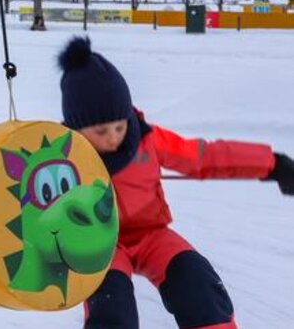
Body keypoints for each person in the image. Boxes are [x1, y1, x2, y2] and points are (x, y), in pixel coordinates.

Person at [56, 36, 293, 329]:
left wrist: (271, 164)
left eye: (120, 125)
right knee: (112, 306)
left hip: (152, 236)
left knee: (197, 281)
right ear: (77, 126)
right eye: (101, 130)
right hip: (100, 245)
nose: (114, 137)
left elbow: (205, 156)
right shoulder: (62, 158)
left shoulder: (146, 139)